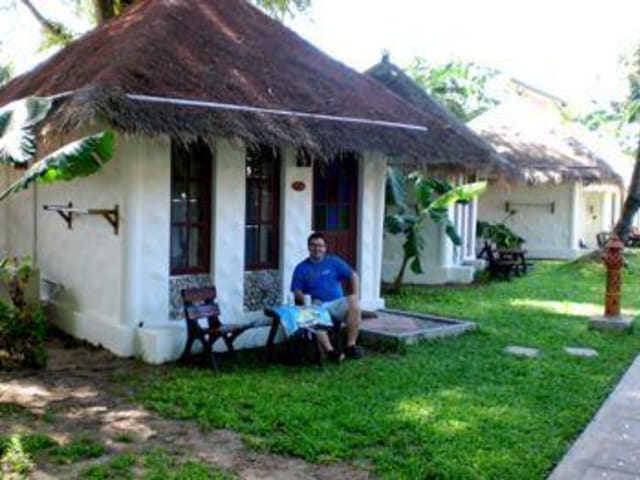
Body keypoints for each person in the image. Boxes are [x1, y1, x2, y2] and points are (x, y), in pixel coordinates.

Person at [291, 232, 364, 360]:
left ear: (325, 248)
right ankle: (331, 351)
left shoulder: (333, 262)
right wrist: (308, 300)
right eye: (313, 245)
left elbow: (353, 275)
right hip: (316, 305)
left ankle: (351, 345)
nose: (317, 248)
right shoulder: (301, 268)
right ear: (308, 247)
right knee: (312, 315)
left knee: (354, 301)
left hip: (336, 304)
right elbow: (297, 292)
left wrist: (356, 295)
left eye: (320, 245)